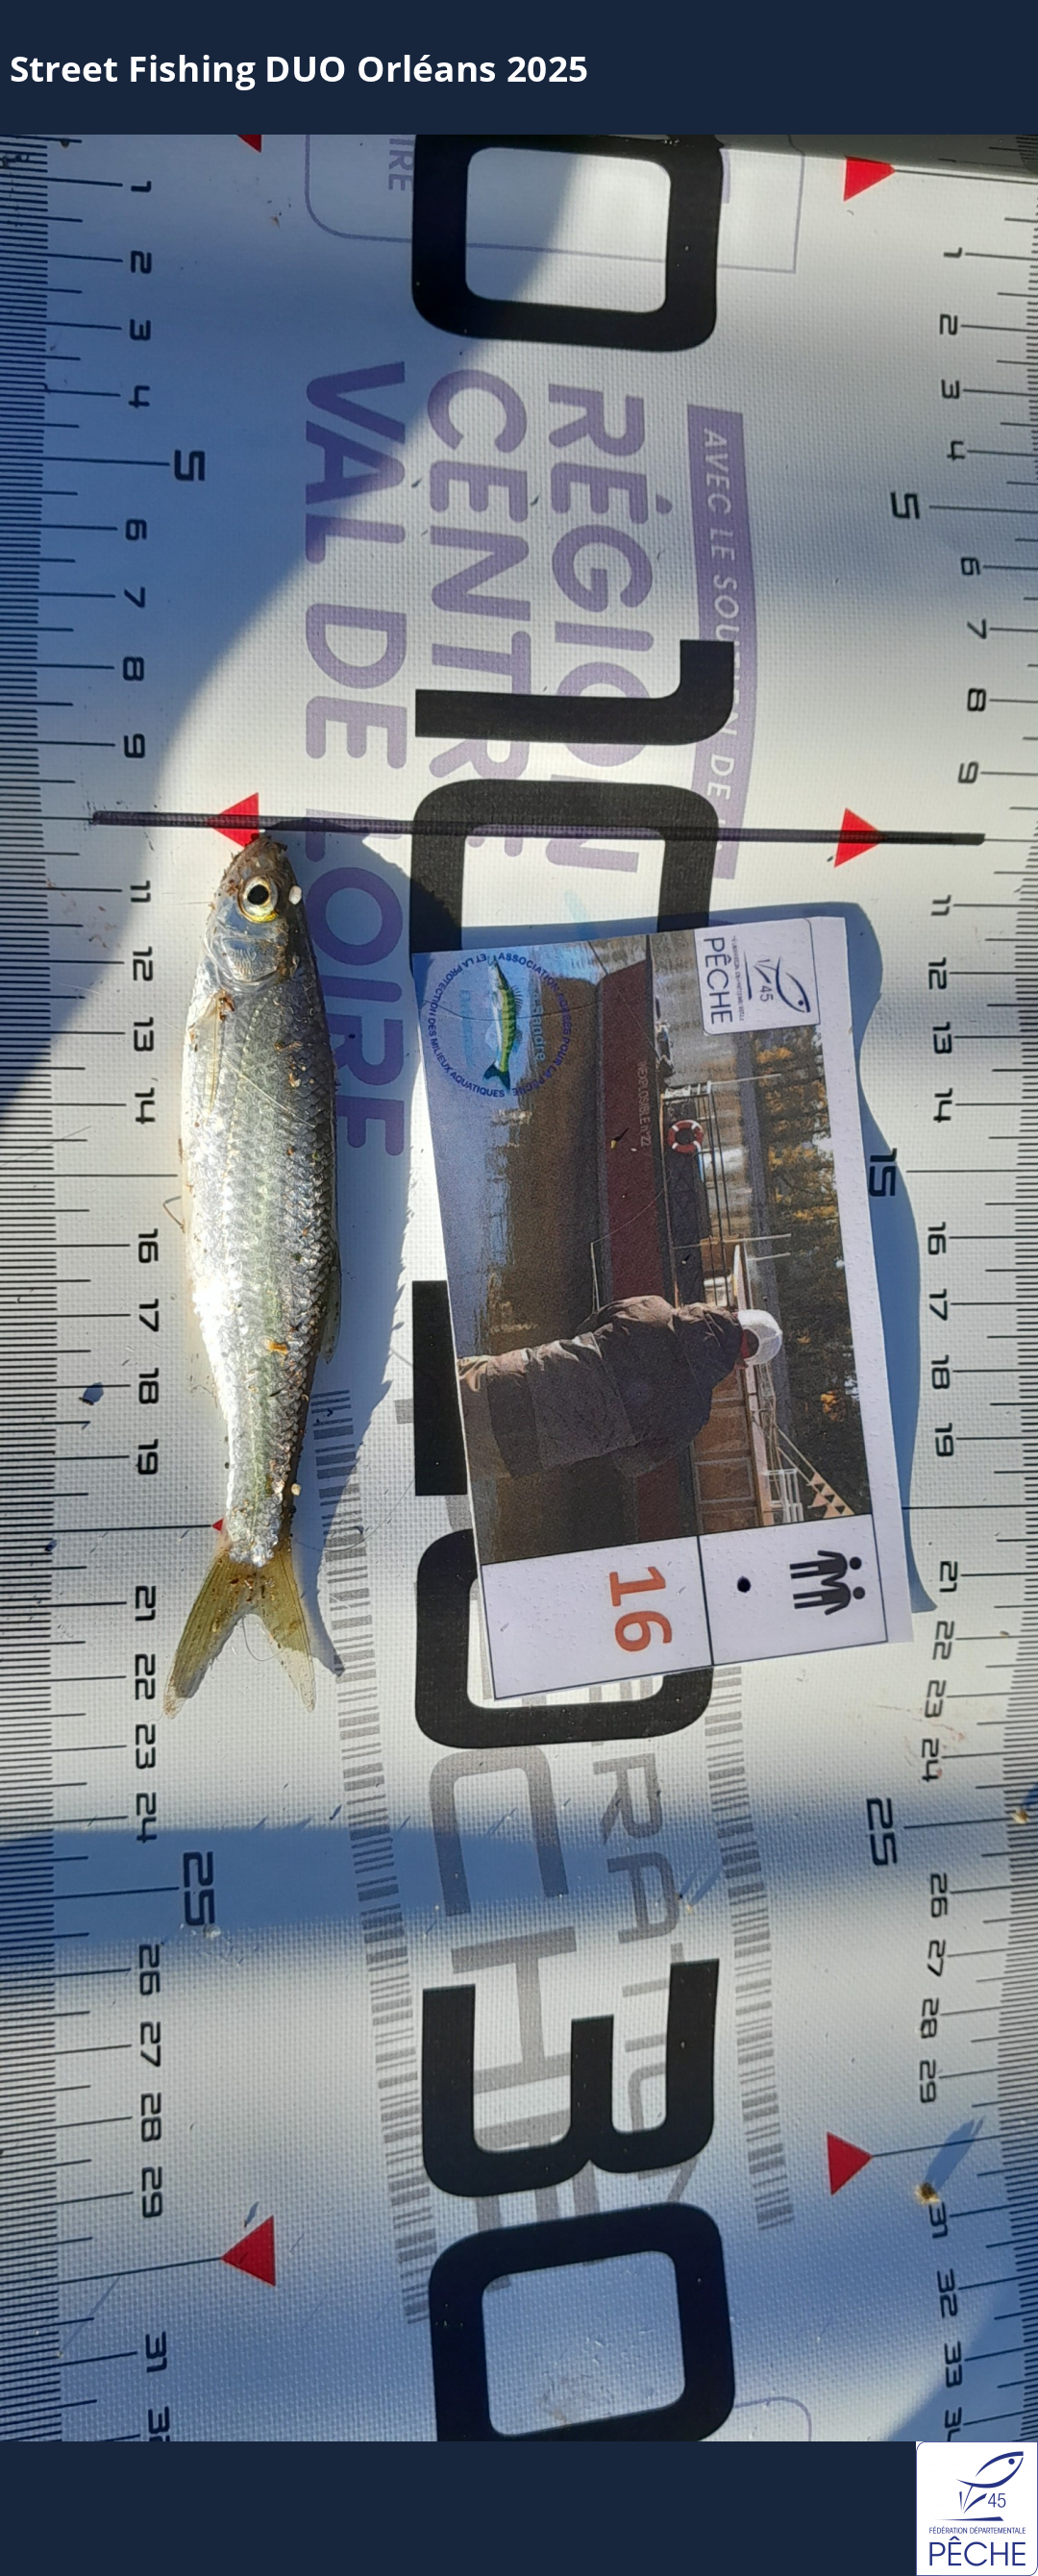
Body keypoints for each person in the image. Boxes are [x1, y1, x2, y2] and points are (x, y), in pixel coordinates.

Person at [457, 1300, 782, 1482]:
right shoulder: (693, 1415)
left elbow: (587, 1325)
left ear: (733, 1316)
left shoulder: (653, 1309)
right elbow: (629, 1464)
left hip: (509, 1378)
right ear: (741, 1366)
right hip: (523, 1448)